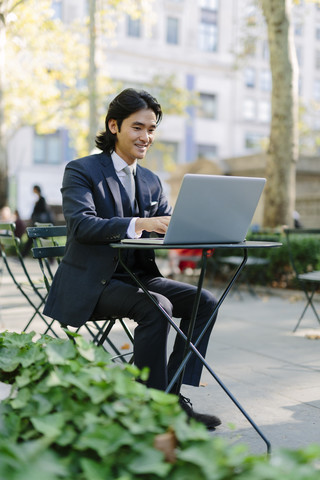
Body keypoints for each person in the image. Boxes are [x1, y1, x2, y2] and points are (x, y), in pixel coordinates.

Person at [43, 88, 221, 430]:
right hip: (93, 284)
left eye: (151, 129)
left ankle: (169, 393)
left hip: (138, 277)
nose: (146, 136)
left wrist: (198, 227)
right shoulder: (81, 170)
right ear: (114, 126)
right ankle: (151, 403)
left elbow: (166, 229)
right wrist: (140, 224)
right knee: (158, 306)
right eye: (138, 127)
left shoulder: (152, 181)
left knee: (205, 301)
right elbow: (82, 226)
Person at [22, 185, 53, 257]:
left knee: (40, 240)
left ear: (36, 190)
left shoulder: (42, 200)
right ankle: (22, 255)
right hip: (38, 225)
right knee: (33, 239)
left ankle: (51, 258)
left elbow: (42, 210)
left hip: (40, 225)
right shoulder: (39, 199)